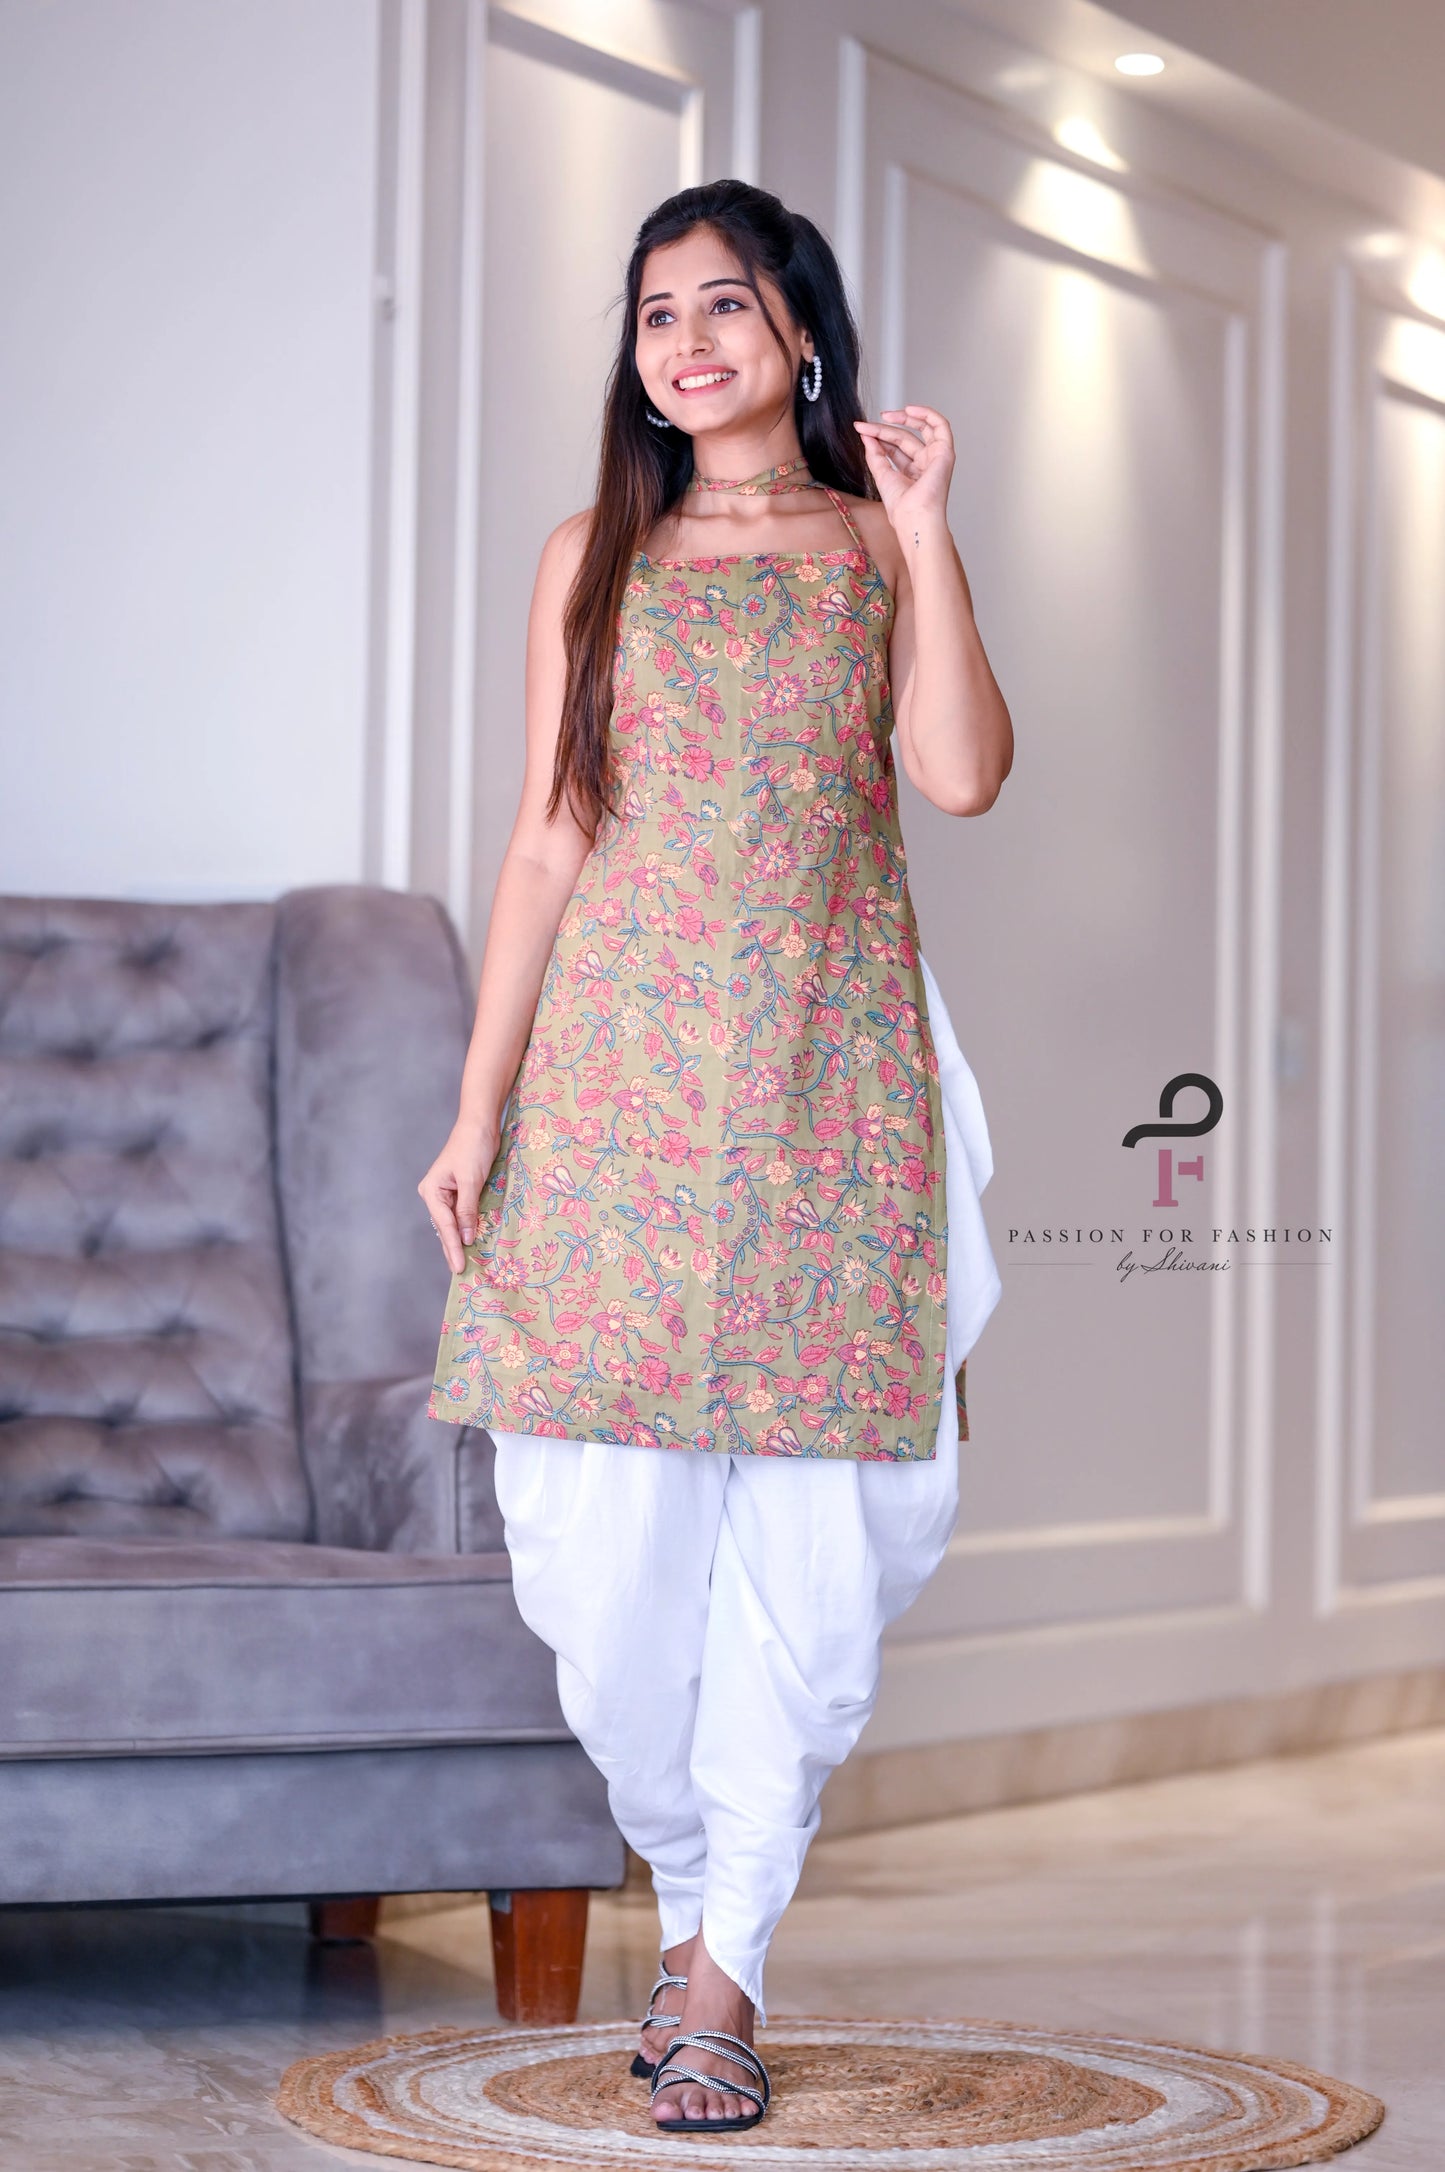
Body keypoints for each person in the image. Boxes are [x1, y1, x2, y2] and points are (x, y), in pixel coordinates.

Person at [418, 178, 1011, 2134]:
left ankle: (723, 1969)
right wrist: (479, 1107)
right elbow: (547, 839)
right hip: (614, 1098)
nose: (685, 340)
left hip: (833, 1090)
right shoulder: (593, 552)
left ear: (801, 332)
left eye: (726, 304)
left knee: (815, 1559)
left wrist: (929, 532)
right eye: (657, 310)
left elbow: (959, 774)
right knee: (598, 1575)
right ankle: (691, 1896)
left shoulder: (873, 541)